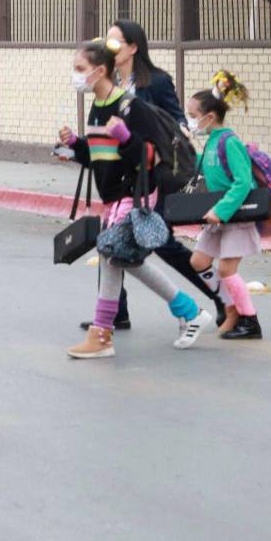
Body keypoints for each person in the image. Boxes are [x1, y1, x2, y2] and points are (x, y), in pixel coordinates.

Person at [60, 38, 214, 359]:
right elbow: (101, 155)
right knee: (124, 259)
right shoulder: (98, 107)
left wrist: (126, 137)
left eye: (80, 69)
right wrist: (75, 146)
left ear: (100, 70)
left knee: (111, 255)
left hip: (133, 194)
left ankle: (102, 335)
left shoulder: (131, 106)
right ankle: (188, 310)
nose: (75, 75)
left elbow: (150, 157)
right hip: (113, 195)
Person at [186, 72, 264, 340]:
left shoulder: (229, 141)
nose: (190, 119)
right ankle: (230, 308)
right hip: (216, 216)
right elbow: (203, 168)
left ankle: (249, 320)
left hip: (234, 216)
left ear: (210, 116)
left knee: (227, 270)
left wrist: (220, 211)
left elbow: (242, 183)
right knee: (198, 261)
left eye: (192, 114)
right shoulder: (211, 142)